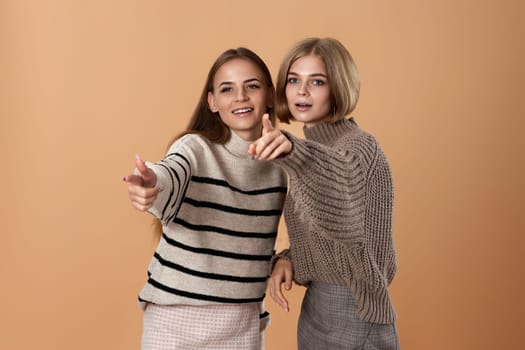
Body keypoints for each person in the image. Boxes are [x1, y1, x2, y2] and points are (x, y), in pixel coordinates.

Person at [123, 47, 287, 350]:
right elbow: (170, 173)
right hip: (174, 321)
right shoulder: (195, 148)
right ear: (212, 102)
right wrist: (151, 183)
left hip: (242, 325)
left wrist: (285, 259)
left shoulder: (281, 166)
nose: (240, 97)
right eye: (227, 89)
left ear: (270, 95)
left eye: (251, 86)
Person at [248, 37, 400, 349]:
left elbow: (340, 199)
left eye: (317, 81)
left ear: (338, 89)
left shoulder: (358, 146)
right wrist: (289, 258)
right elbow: (324, 230)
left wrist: (295, 151)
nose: (301, 91)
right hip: (317, 310)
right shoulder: (316, 149)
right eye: (293, 80)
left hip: (356, 312)